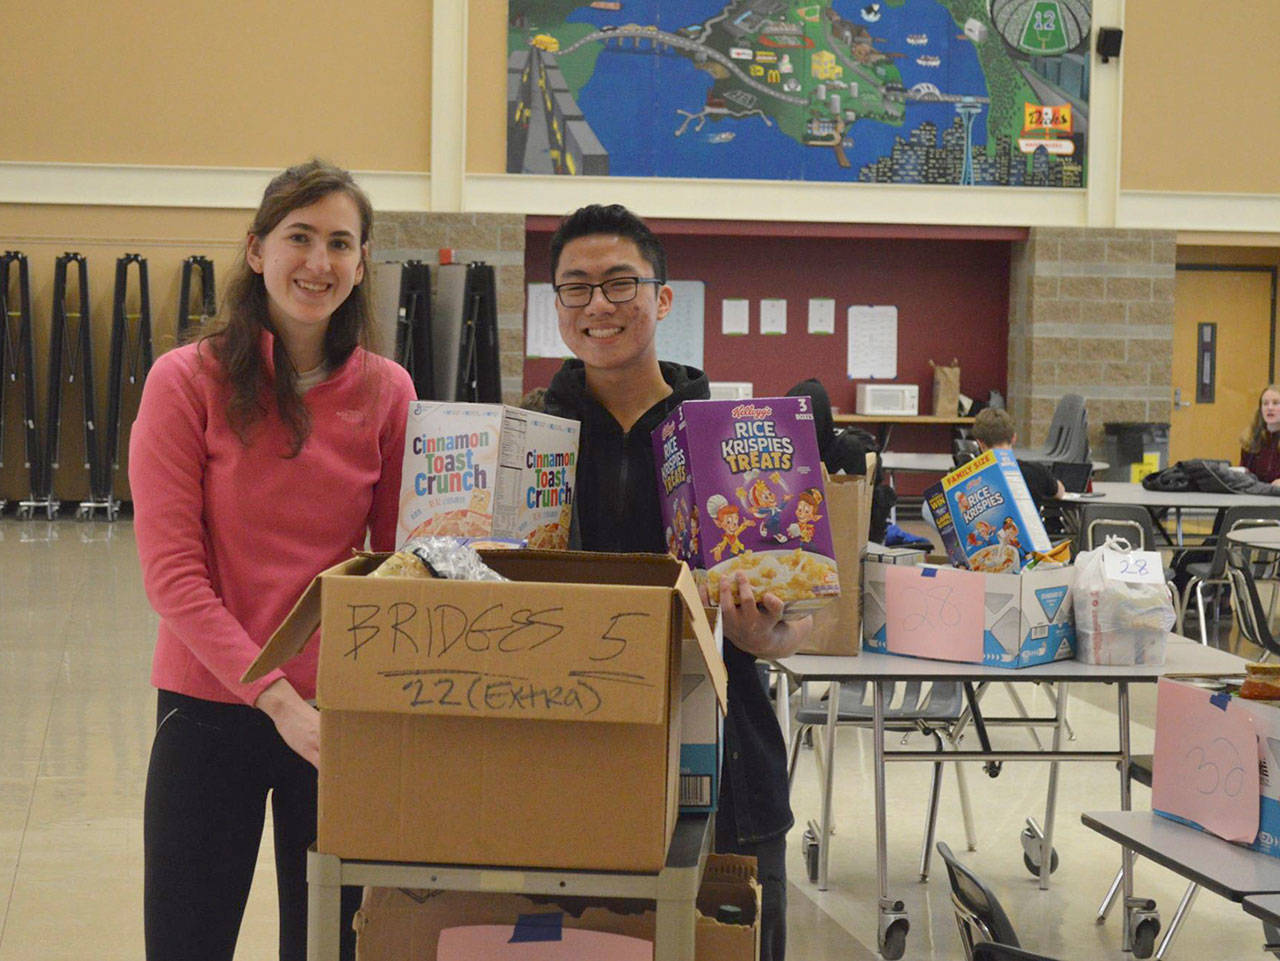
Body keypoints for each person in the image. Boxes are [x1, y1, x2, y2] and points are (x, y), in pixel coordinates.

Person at [129, 160, 416, 961]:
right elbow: (173, 577)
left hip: (339, 717)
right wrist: (277, 698)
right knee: (188, 939)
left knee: (332, 946)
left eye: (339, 243)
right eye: (299, 237)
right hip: (210, 704)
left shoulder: (388, 390)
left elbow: (397, 559)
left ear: (361, 265)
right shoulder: (185, 381)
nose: (318, 263)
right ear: (256, 250)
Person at [541, 204, 808, 961]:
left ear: (662, 298)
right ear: (556, 306)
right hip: (568, 764)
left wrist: (770, 631)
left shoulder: (739, 437)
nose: (599, 305)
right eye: (577, 288)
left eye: (621, 282)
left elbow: (805, 616)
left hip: (727, 774)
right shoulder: (528, 439)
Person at [971, 407, 1065, 502]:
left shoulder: (971, 476)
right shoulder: (1035, 471)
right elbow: (1060, 493)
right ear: (1014, 438)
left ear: (980, 443)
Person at [1240, 384, 1280, 484]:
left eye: (1275, 403)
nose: (1270, 408)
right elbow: (1243, 473)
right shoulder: (1251, 439)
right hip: (1256, 496)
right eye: (1265, 404)